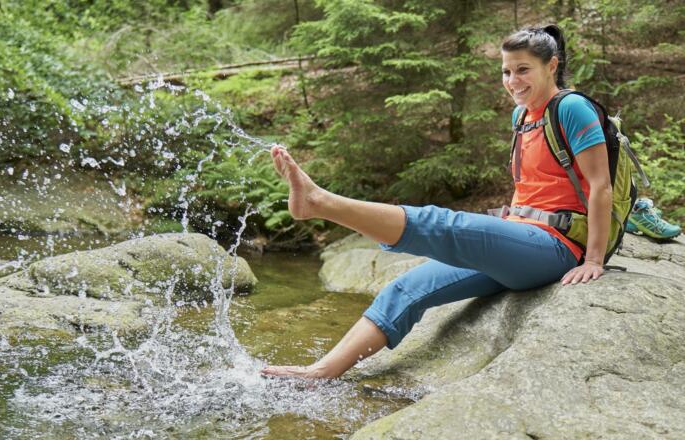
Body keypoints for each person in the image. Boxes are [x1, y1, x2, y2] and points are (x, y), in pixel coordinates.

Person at [260, 24, 613, 379]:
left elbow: (601, 186)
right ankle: (320, 372)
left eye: (523, 70)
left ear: (551, 66)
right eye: (506, 71)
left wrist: (594, 259)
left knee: (444, 225)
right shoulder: (521, 116)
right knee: (407, 287)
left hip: (558, 247)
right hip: (519, 238)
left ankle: (319, 202)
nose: (512, 80)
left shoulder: (571, 108)